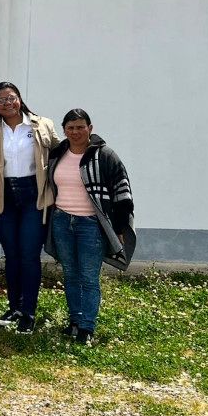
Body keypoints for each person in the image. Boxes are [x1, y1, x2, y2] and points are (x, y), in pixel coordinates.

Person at [44, 108, 136, 345]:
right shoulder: (58, 153)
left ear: (90, 129)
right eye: (71, 128)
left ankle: (87, 327)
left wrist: (118, 228)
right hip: (62, 221)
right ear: (64, 130)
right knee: (70, 274)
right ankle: (74, 321)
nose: (75, 132)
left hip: (91, 225)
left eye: (80, 127)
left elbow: (122, 192)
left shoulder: (104, 155)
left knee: (89, 277)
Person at [0, 82, 61, 334]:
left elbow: (62, 154)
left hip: (33, 196)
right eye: (1, 100)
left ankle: (28, 311)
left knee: (29, 255)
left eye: (11, 98)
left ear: (19, 99)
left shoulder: (41, 125)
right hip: (3, 196)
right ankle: (14, 307)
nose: (7, 103)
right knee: (12, 254)